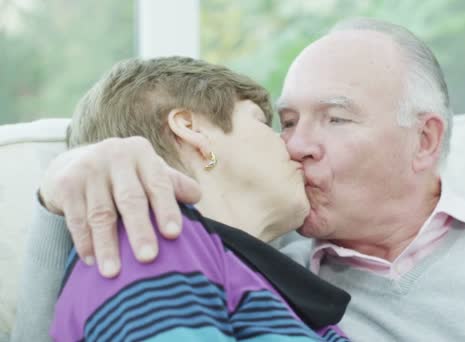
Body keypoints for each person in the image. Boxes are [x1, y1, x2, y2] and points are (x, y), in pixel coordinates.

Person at [12, 17, 465, 342]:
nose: (296, 146)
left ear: (424, 140)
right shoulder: (270, 265)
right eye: (284, 122)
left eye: (336, 118)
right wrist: (59, 191)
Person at [44, 56, 350, 341]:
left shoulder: (280, 295)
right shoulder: (150, 232)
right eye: (263, 123)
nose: (292, 146)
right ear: (190, 130)